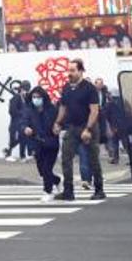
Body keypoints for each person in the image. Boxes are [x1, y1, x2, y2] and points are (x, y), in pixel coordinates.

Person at [54, 58, 103, 200]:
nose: (69, 73)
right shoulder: (66, 88)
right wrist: (57, 123)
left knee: (93, 159)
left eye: (73, 70)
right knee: (65, 158)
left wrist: (88, 129)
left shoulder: (89, 88)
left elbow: (94, 110)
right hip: (72, 128)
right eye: (68, 70)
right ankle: (68, 191)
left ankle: (99, 190)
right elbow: (63, 107)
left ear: (80, 71)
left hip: (89, 127)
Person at [20, 86, 62, 200]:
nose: (36, 99)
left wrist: (58, 127)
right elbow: (23, 122)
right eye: (34, 97)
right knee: (42, 171)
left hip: (51, 142)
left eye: (38, 97)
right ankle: (57, 180)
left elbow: (60, 122)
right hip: (37, 143)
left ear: (43, 97)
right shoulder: (28, 110)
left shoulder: (52, 109)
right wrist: (25, 128)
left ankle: (48, 192)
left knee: (47, 168)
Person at [4, 84, 26, 161]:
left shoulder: (23, 98)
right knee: (14, 139)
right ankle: (8, 153)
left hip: (21, 123)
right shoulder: (16, 97)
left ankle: (22, 155)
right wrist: (22, 113)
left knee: (22, 139)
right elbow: (12, 110)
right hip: (16, 123)